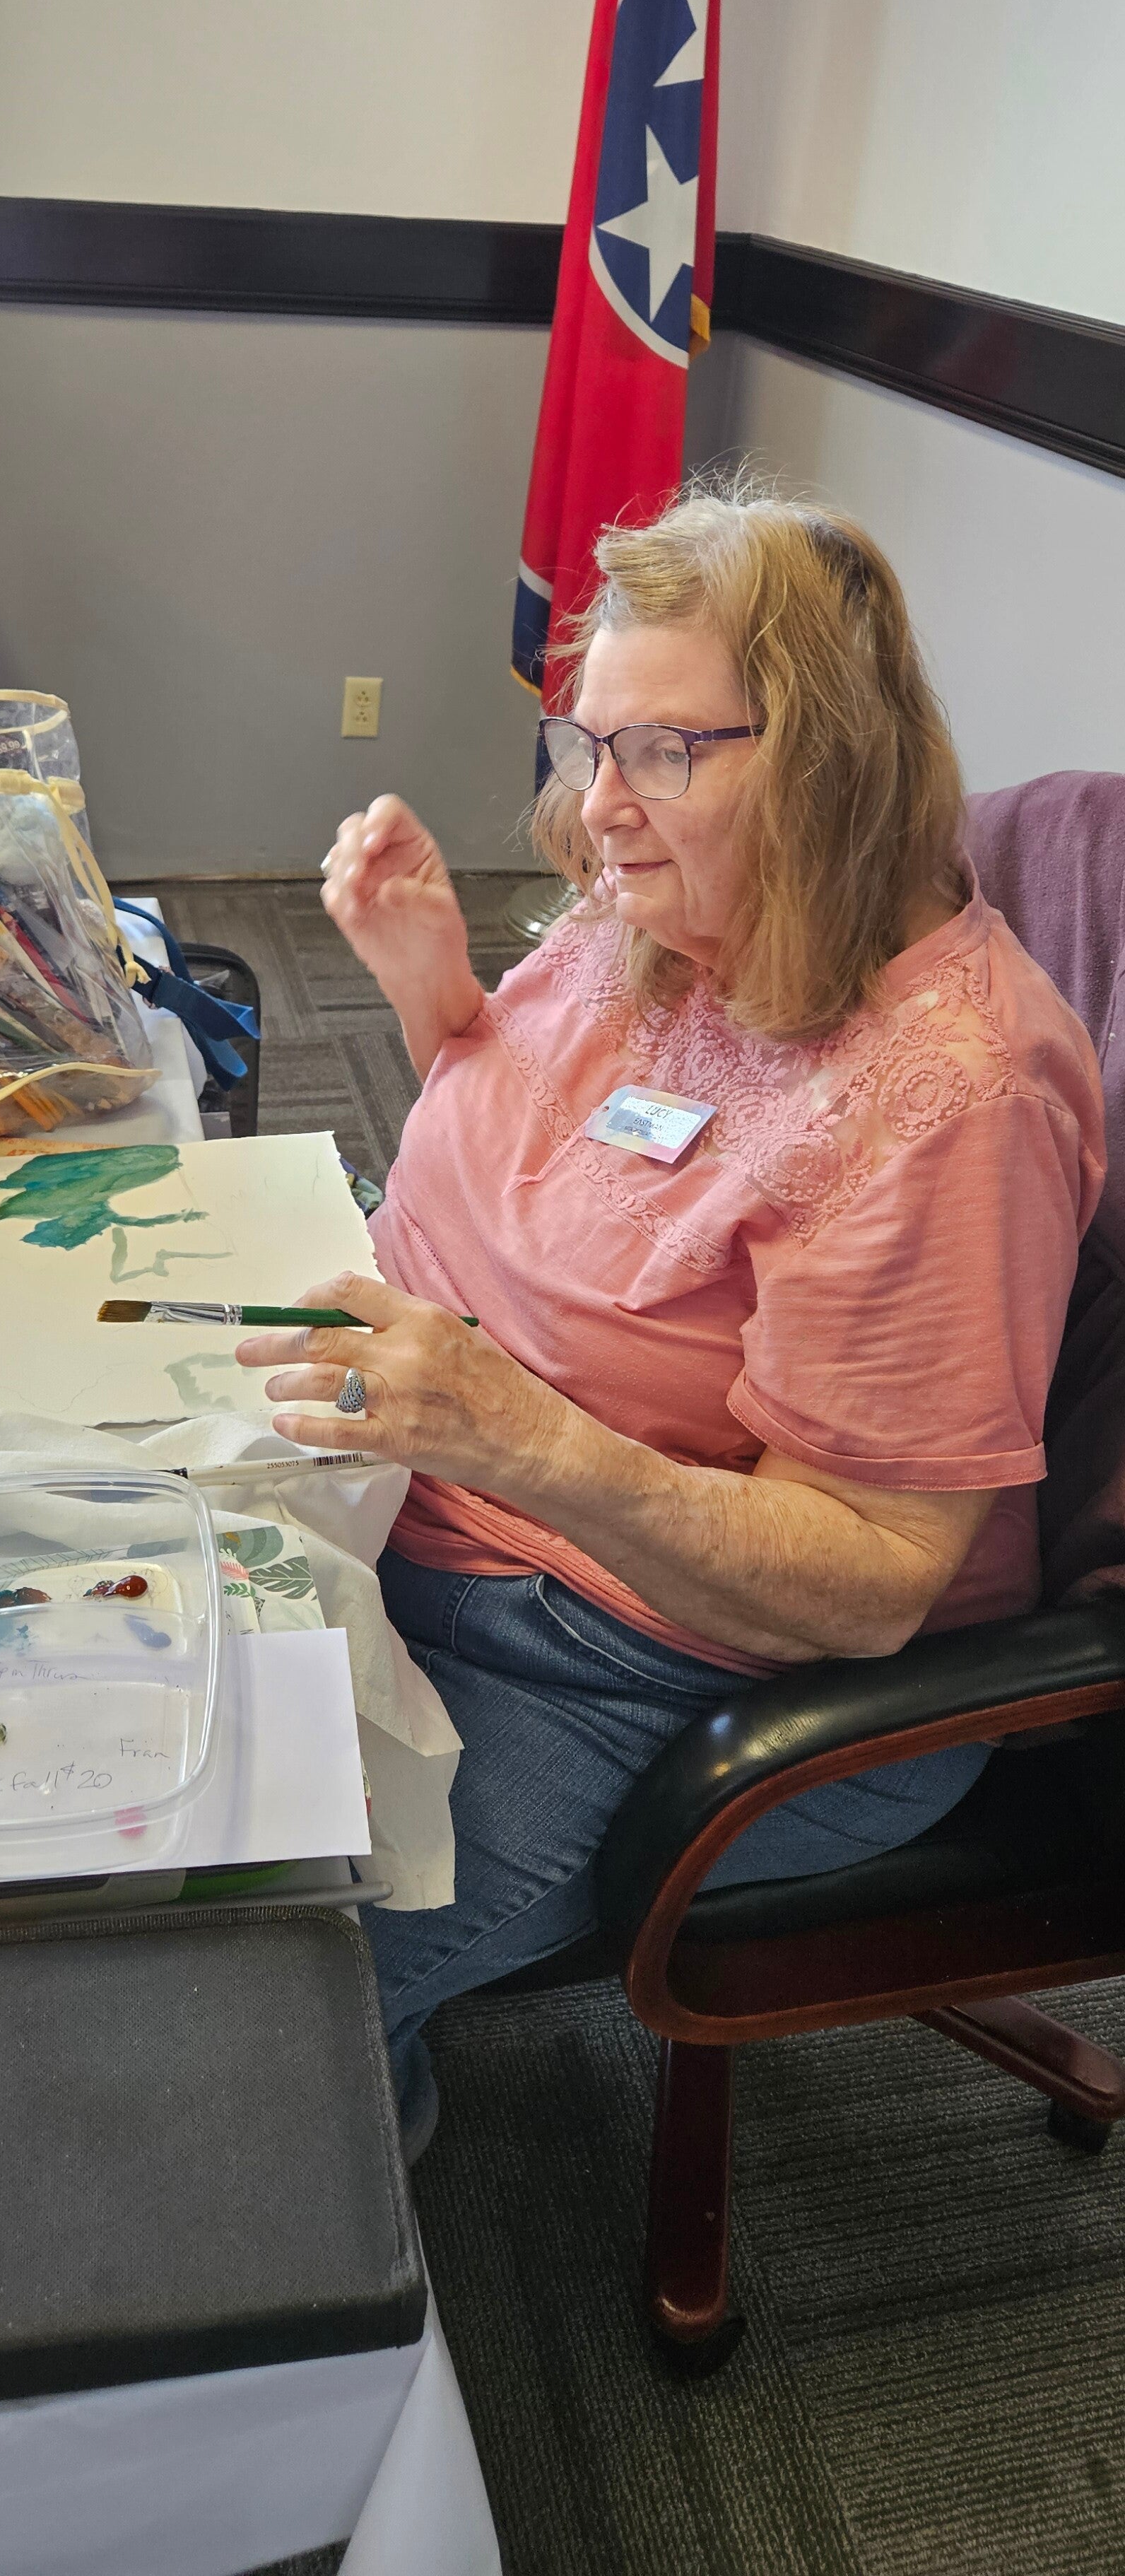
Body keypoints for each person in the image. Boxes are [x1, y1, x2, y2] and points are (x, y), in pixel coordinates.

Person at [236, 489, 1105, 2161]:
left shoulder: (950, 1104)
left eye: (661, 752)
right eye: (588, 743)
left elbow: (869, 1578)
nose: (595, 811)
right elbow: (573, 1187)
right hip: (421, 1488)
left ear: (830, 762)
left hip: (647, 1651)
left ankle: (338, 2158)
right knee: (105, 1798)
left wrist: (517, 1433)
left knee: (270, 1983)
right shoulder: (681, 907)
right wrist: (432, 991)